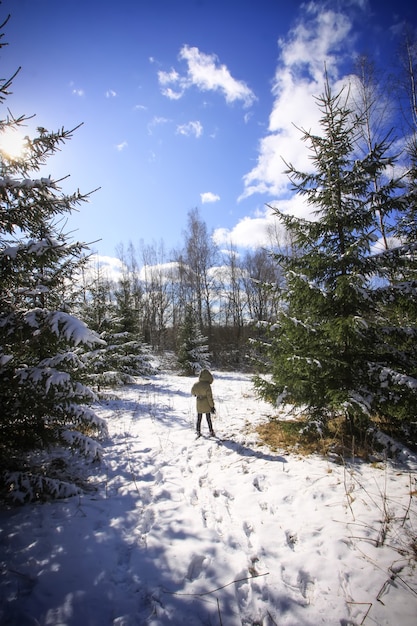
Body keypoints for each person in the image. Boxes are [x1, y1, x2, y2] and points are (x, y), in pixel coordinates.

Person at [191, 369, 216, 438]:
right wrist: (212, 406)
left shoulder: (196, 384)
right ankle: (211, 431)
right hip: (206, 404)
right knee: (208, 418)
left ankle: (198, 430)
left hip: (199, 403)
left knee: (199, 418)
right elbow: (209, 397)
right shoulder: (207, 385)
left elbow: (192, 392)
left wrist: (197, 394)